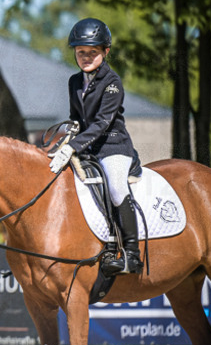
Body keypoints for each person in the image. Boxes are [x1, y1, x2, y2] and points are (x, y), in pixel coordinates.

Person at [48, 18, 143, 274]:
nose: (86, 57)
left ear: (105, 51)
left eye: (93, 52)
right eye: (81, 52)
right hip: (88, 146)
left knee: (115, 186)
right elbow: (78, 119)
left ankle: (132, 254)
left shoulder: (113, 82)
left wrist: (73, 147)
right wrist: (66, 137)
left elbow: (102, 123)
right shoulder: (74, 82)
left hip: (113, 145)